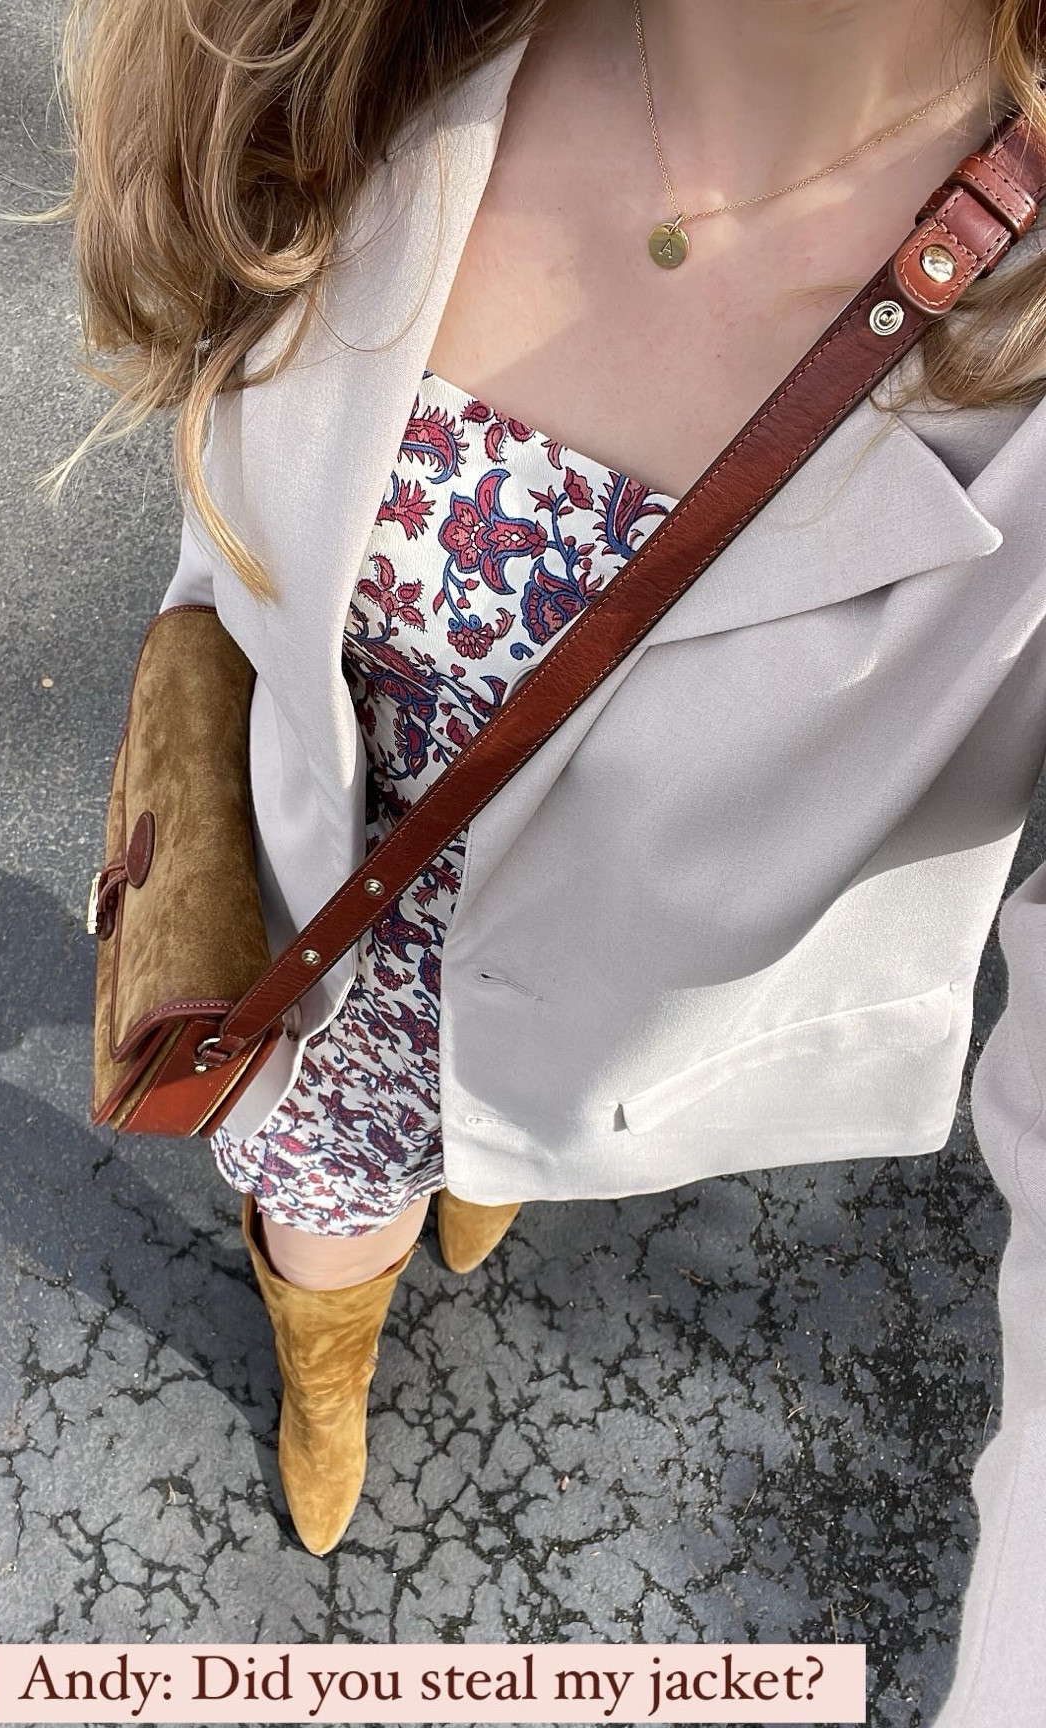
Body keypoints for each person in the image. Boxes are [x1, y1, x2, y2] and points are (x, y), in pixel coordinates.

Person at [51, 0, 1046, 1718]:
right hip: (323, 925)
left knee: (494, 1133)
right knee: (328, 1206)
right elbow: (235, 490)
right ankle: (327, 1376)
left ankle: (494, 1167)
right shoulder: (329, 44)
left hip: (595, 1030)